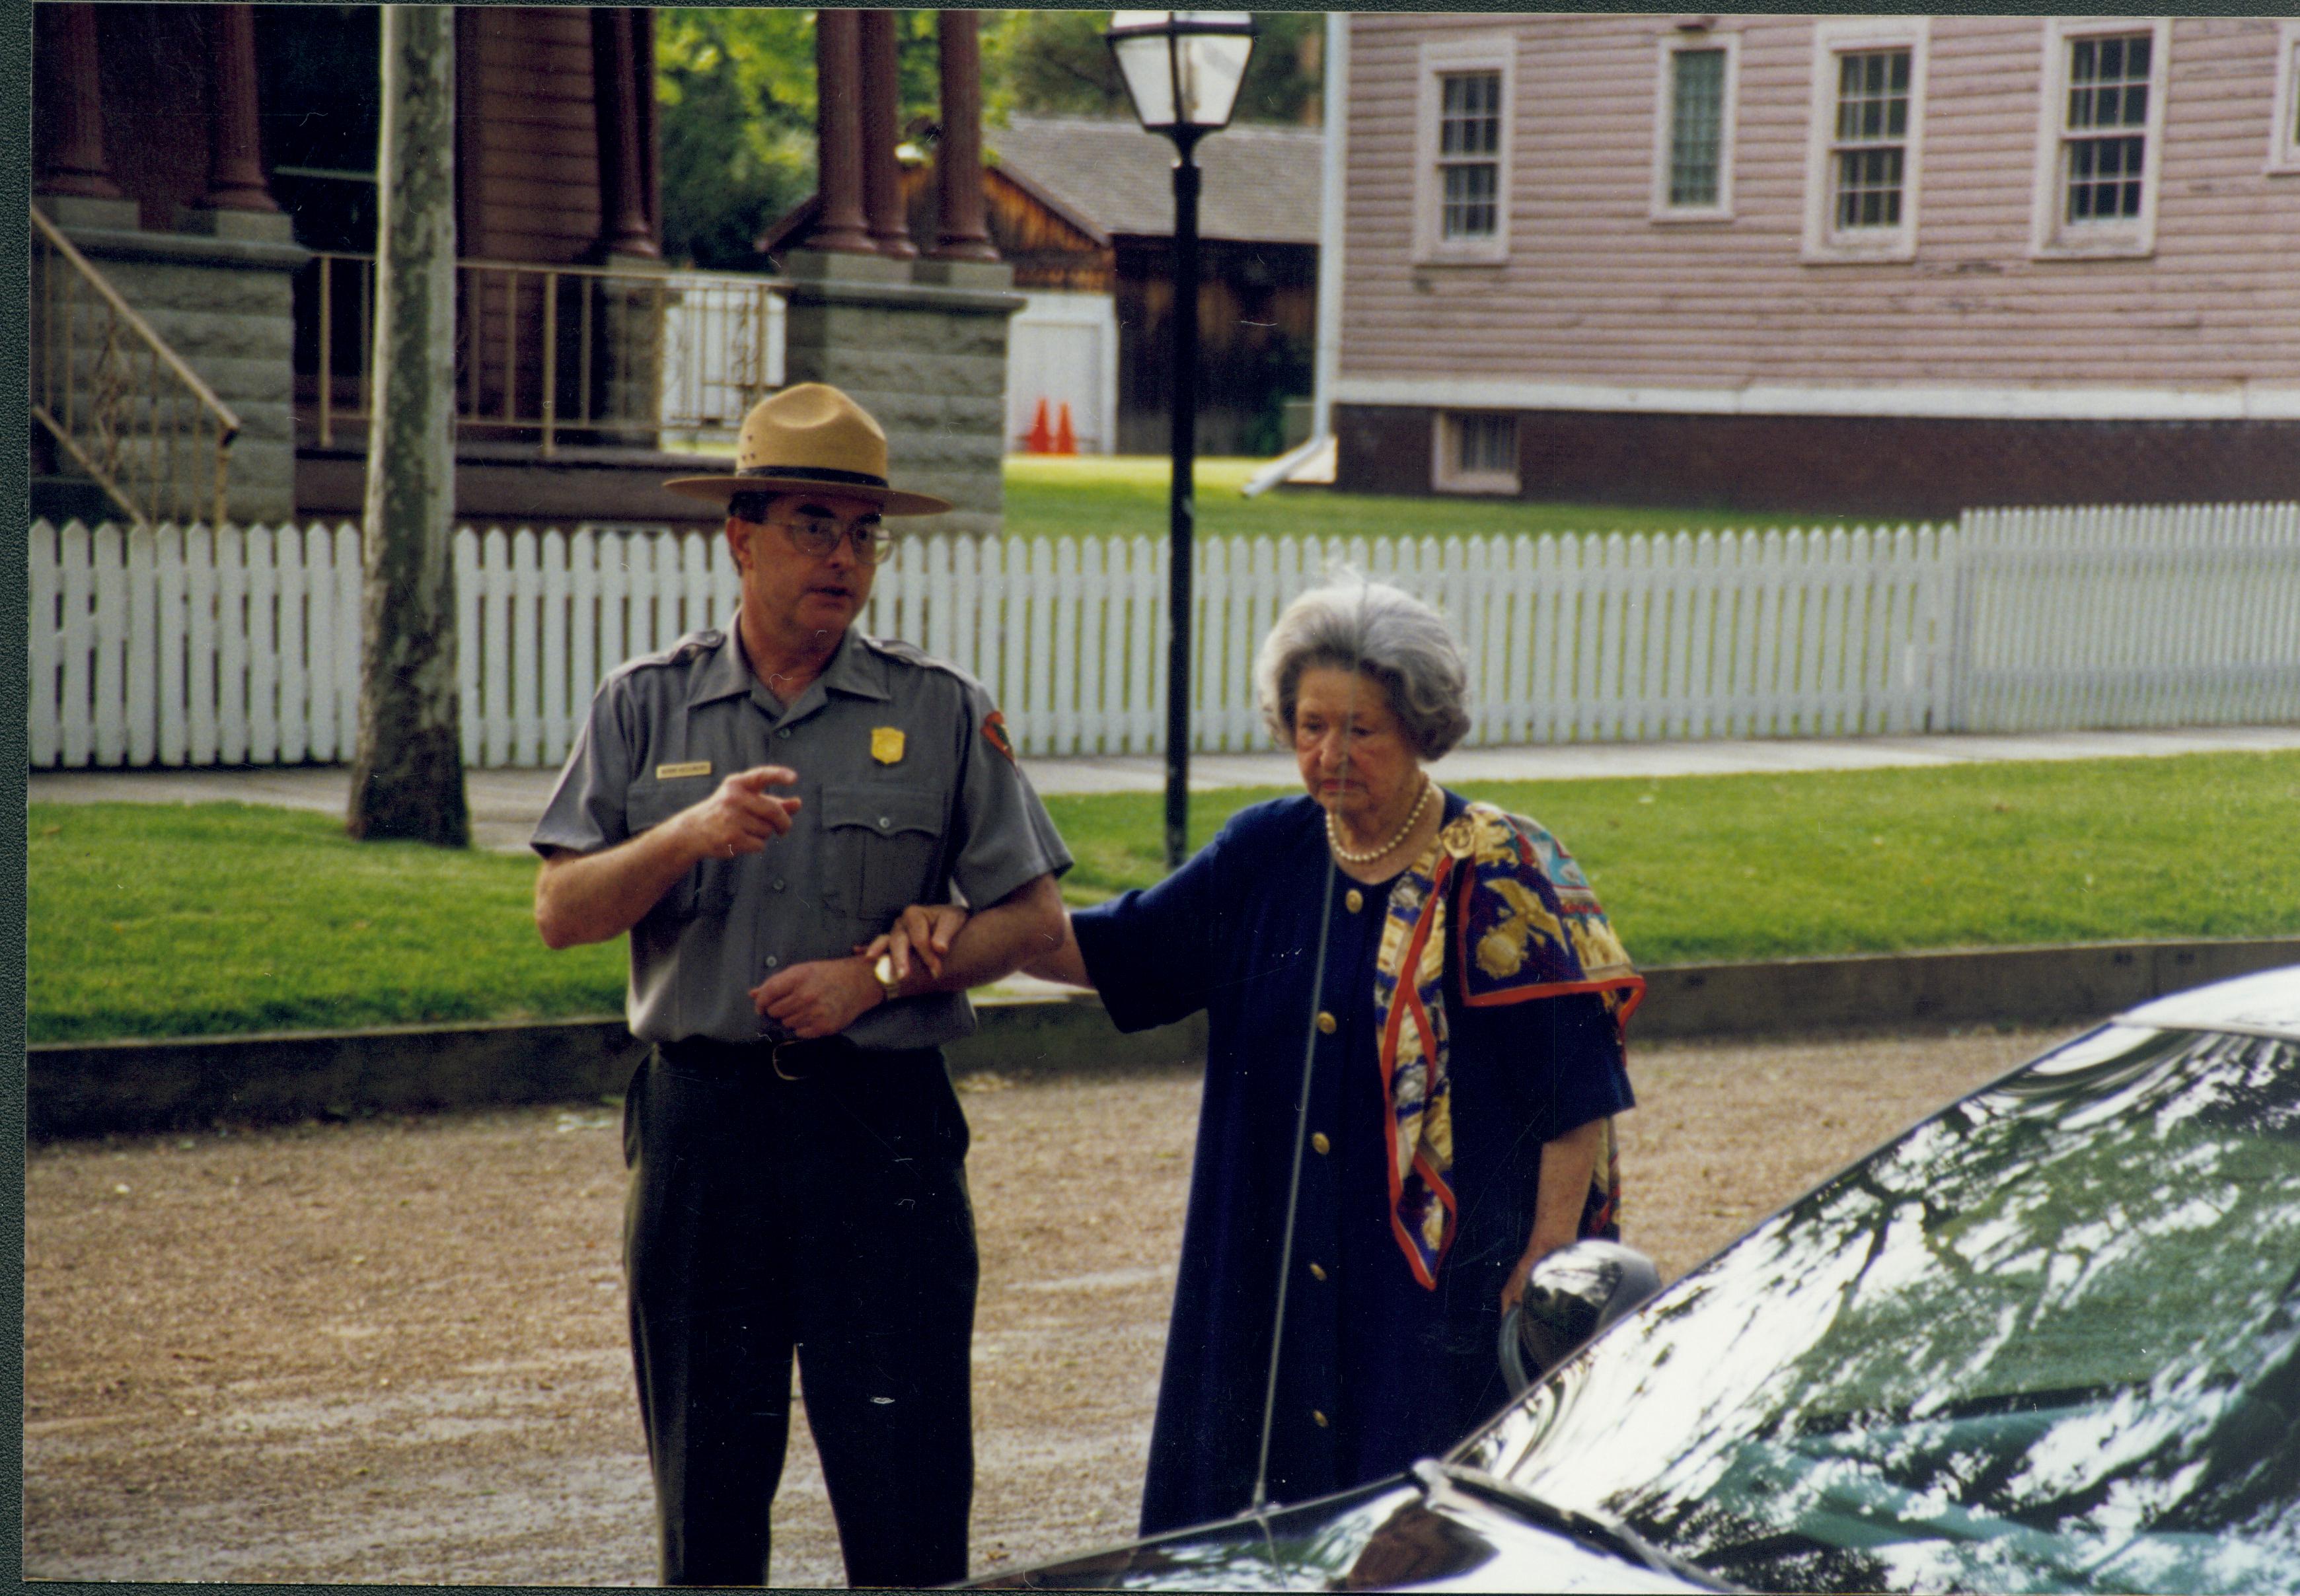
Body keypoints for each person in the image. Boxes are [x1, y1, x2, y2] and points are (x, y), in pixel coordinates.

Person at [529, 382, 1071, 1587]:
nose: (844, 557)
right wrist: (688, 835)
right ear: (741, 532)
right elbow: (563, 911)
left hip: (877, 1131)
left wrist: (872, 977)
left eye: (865, 531)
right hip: (703, 1131)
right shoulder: (645, 703)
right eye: (813, 526)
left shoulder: (939, 711)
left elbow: (1031, 918)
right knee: (709, 1498)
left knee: (906, 1494)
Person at [969, 578, 1644, 1535]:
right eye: (1308, 724)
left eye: (1360, 729)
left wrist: (1543, 1261)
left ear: (1420, 725)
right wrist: (966, 935)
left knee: (1424, 1533)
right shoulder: (1266, 851)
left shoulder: (1500, 867)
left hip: (1439, 1281)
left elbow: (1577, 1091)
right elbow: (1119, 953)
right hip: (1272, 1263)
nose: (1329, 755)